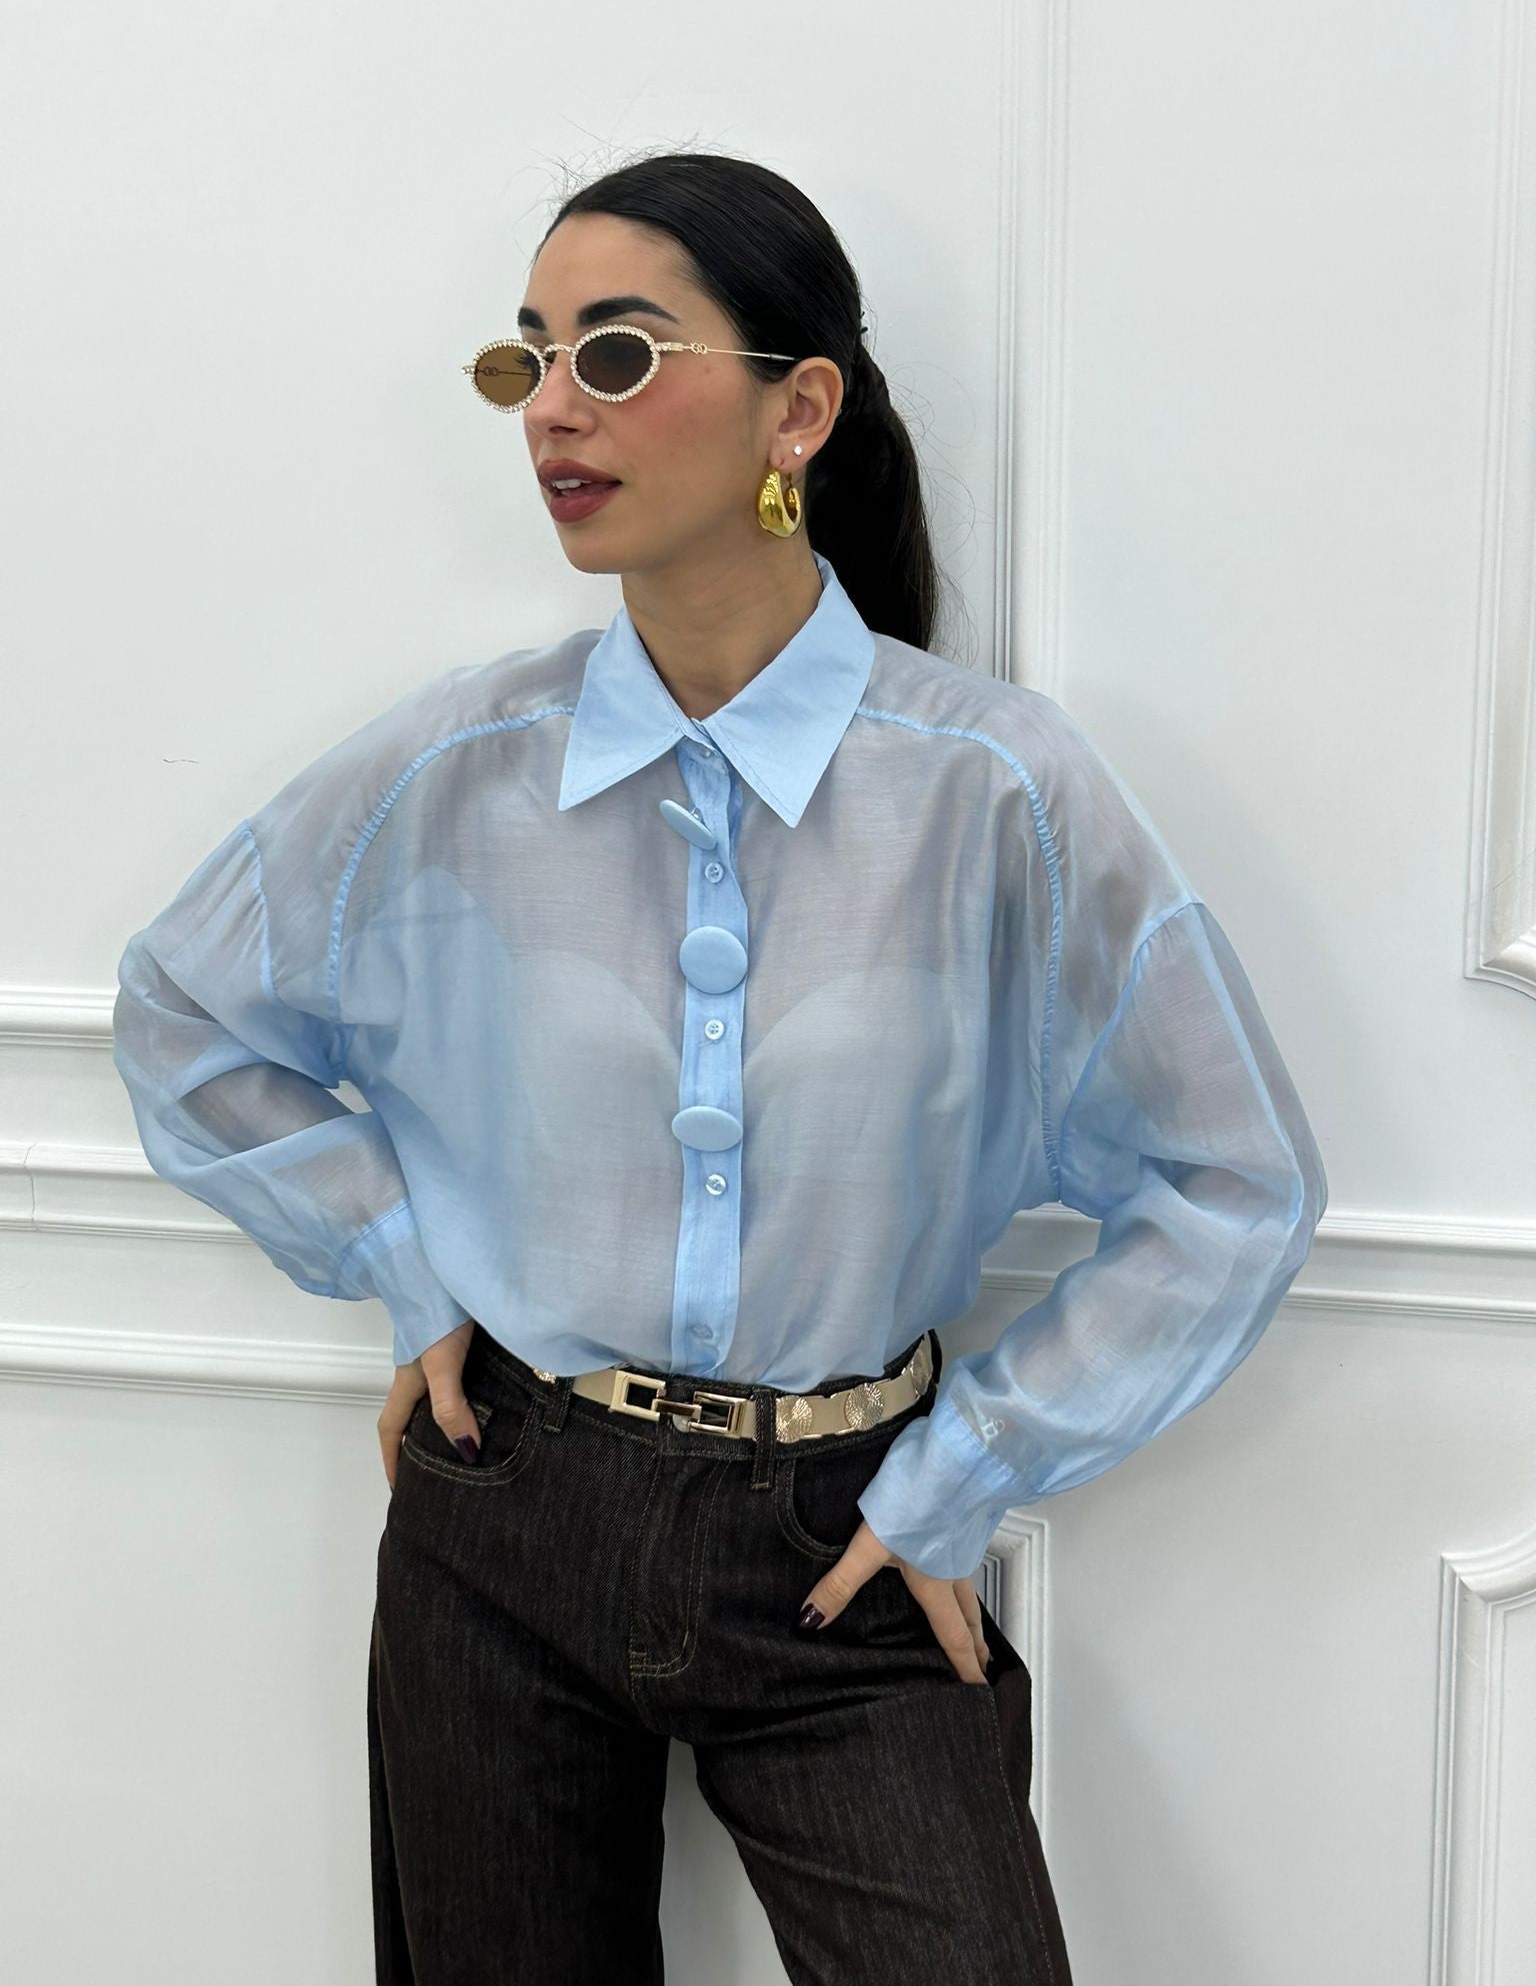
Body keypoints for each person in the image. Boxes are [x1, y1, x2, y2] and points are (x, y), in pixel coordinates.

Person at [111, 148, 1328, 1985]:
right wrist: (398, 1263)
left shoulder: (998, 789)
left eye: (616, 352)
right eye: (528, 359)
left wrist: (972, 1465)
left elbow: (1234, 1178)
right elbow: (184, 1008)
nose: (552, 410)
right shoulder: (452, 770)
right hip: (502, 1516)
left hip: (850, 1539)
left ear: (798, 407)